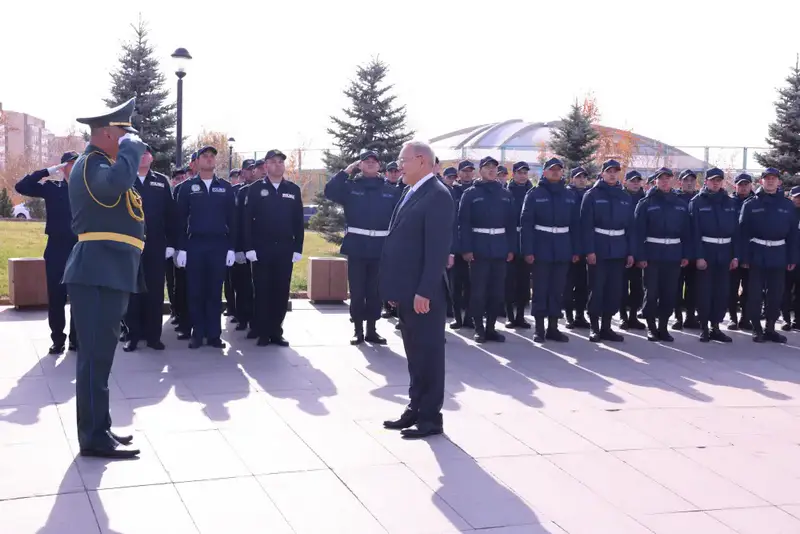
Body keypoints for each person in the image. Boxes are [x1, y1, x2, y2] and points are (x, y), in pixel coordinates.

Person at [63, 97, 146, 458]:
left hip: (108, 271)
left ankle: (101, 426)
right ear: (110, 134)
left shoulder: (102, 163)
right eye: (125, 134)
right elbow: (113, 186)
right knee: (95, 358)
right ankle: (94, 436)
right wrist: (131, 151)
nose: (131, 139)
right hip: (97, 271)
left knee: (101, 358)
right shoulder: (91, 164)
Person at [379, 141, 453, 439]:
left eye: (403, 160)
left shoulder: (437, 195)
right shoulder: (411, 191)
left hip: (424, 293)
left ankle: (431, 417)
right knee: (414, 353)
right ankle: (416, 407)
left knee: (429, 355)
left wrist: (425, 291)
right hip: (407, 289)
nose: (399, 166)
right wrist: (395, 288)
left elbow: (437, 250)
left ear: (421, 160)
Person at [325, 150, 401, 344]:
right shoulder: (350, 187)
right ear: (359, 165)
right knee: (358, 291)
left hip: (380, 247)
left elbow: (399, 219)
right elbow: (329, 191)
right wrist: (346, 171)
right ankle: (358, 329)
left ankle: (372, 330)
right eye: (366, 161)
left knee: (375, 292)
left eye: (374, 161)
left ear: (379, 166)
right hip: (357, 247)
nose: (370, 163)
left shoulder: (390, 190)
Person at [15, 151, 80, 354]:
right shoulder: (53, 187)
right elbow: (21, 186)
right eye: (70, 164)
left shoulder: (86, 189)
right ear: (62, 167)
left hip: (80, 247)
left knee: (79, 297)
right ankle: (58, 340)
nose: (74, 167)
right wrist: (47, 171)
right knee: (56, 296)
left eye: (77, 163)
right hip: (56, 248)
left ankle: (76, 339)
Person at [175, 146, 237, 349]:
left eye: (212, 157)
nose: (209, 159)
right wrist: (181, 248)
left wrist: (231, 247)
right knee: (195, 291)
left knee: (214, 291)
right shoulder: (187, 187)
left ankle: (214, 335)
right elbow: (180, 220)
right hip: (195, 244)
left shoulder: (225, 187)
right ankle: (197, 333)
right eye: (205, 156)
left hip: (218, 244)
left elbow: (233, 220)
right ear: (197, 162)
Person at [242, 149, 304, 346]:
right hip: (261, 248)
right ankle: (262, 332)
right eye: (274, 162)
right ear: (266, 165)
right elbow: (246, 220)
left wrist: (298, 247)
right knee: (262, 291)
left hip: (285, 248)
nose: (278, 165)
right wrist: (249, 247)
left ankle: (276, 331)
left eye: (281, 162)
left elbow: (298, 221)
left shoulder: (292, 189)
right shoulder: (255, 189)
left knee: (281, 291)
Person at [122, 144, 176, 352]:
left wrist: (171, 244)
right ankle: (133, 335)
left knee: (155, 290)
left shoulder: (161, 181)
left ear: (152, 158)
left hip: (156, 244)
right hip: (131, 244)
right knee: (132, 291)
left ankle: (154, 336)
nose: (143, 156)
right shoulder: (125, 180)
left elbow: (170, 214)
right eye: (139, 153)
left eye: (147, 153)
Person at [458, 156, 517, 343]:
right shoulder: (471, 194)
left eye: (494, 167)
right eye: (487, 167)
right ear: (480, 170)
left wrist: (511, 248)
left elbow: (511, 224)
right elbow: (463, 224)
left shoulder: (505, 194)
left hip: (500, 247)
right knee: (478, 292)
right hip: (479, 247)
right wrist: (466, 249)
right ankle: (479, 328)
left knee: (497, 292)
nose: (491, 170)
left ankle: (491, 328)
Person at [520, 158, 578, 342]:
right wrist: (528, 250)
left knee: (557, 289)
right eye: (552, 169)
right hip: (541, 246)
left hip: (562, 247)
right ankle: (539, 329)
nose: (555, 172)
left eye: (558, 169)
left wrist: (575, 250)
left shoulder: (569, 195)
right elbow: (526, 224)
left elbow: (576, 225)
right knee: (540, 289)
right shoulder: (534, 194)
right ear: (544, 172)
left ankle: (553, 328)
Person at [739, 167, 798, 343]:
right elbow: (742, 233)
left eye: (774, 178)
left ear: (779, 182)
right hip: (757, 253)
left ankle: (770, 328)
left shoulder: (787, 205)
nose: (770, 181)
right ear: (761, 181)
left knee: (776, 294)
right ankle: (756, 328)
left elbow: (793, 235)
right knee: (755, 294)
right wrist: (744, 257)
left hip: (778, 254)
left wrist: (792, 258)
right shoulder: (750, 204)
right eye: (767, 178)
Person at [579, 160, 635, 342]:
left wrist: (630, 252)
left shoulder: (625, 197)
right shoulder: (592, 195)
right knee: (597, 289)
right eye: (609, 171)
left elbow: (630, 227)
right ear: (602, 173)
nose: (612, 174)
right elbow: (586, 226)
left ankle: (606, 327)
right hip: (599, 248)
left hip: (618, 249)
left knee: (614, 290)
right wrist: (589, 250)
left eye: (615, 171)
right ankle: (594, 327)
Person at [634, 167, 691, 342]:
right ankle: (651, 327)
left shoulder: (680, 204)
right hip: (652, 253)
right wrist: (640, 256)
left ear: (672, 180)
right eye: (661, 178)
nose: (665, 181)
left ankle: (663, 327)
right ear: (655, 181)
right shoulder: (646, 203)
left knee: (669, 293)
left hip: (673, 254)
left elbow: (687, 232)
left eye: (668, 178)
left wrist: (685, 254)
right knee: (651, 292)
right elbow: (638, 232)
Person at [688, 167, 737, 342]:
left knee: (721, 291)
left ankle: (716, 326)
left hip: (725, 251)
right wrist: (699, 256)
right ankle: (704, 327)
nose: (715, 183)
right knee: (704, 291)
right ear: (706, 181)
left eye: (718, 180)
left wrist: (735, 256)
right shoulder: (697, 202)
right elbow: (694, 232)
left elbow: (736, 231)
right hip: (706, 251)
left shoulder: (730, 202)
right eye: (712, 180)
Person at [504, 161, 533, 329]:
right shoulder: (506, 192)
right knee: (509, 282)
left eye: (525, 173)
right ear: (513, 174)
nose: (523, 176)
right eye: (520, 172)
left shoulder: (532, 191)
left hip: (527, 240)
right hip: (511, 239)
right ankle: (510, 316)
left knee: (524, 282)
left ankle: (521, 316)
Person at [232, 159, 258, 337]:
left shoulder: (261, 190)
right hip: (242, 245)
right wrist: (237, 248)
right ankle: (242, 317)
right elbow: (237, 222)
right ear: (243, 173)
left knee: (257, 286)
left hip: (258, 245)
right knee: (242, 285)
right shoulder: (239, 192)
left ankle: (256, 320)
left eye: (254, 169)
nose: (252, 172)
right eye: (249, 169)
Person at [449, 160, 476, 330]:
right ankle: (457, 317)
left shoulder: (476, 191)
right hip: (456, 244)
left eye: (470, 171)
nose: (467, 174)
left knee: (472, 284)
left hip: (474, 243)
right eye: (464, 171)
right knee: (456, 285)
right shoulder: (451, 191)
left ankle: (470, 317)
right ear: (458, 173)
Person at [563, 166, 590, 329]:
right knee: (568, 284)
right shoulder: (567, 195)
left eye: (584, 177)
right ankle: (569, 316)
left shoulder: (589, 194)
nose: (581, 180)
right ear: (572, 178)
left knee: (583, 285)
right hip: (570, 246)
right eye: (578, 177)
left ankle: (580, 315)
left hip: (586, 246)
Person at [673, 169, 700, 330]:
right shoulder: (675, 199)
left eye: (692, 180)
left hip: (695, 250)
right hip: (678, 249)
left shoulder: (699, 199)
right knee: (676, 286)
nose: (689, 183)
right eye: (686, 180)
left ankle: (690, 317)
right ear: (680, 182)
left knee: (693, 286)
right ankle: (678, 317)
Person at [619, 170, 646, 330]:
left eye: (638, 181)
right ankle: (623, 317)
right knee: (621, 286)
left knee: (637, 286)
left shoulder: (645, 199)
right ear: (626, 182)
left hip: (639, 247)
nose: (635, 183)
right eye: (632, 181)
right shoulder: (621, 198)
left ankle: (633, 316)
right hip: (622, 246)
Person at [728, 173, 755, 330]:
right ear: (735, 186)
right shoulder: (729, 203)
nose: (743, 187)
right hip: (732, 251)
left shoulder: (756, 202)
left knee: (750, 289)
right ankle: (733, 318)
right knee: (731, 288)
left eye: (746, 184)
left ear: (751, 185)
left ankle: (746, 318)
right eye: (740, 184)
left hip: (751, 252)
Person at [166, 168, 188, 322]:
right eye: (177, 178)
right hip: (169, 244)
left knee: (182, 281)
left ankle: (181, 312)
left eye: (183, 177)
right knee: (171, 279)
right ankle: (174, 309)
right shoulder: (169, 195)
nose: (180, 181)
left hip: (182, 244)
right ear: (173, 181)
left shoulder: (185, 193)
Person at [224, 167, 242, 319]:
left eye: (238, 176)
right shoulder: (230, 190)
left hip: (240, 241)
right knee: (228, 279)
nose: (237, 179)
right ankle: (231, 307)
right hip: (227, 239)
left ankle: (239, 311)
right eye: (234, 176)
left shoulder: (244, 191)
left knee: (238, 280)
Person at [782, 186, 800, 331]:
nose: (799, 200)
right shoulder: (786, 212)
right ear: (791, 197)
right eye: (796, 197)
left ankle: (798, 320)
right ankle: (786, 319)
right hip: (787, 257)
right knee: (785, 291)